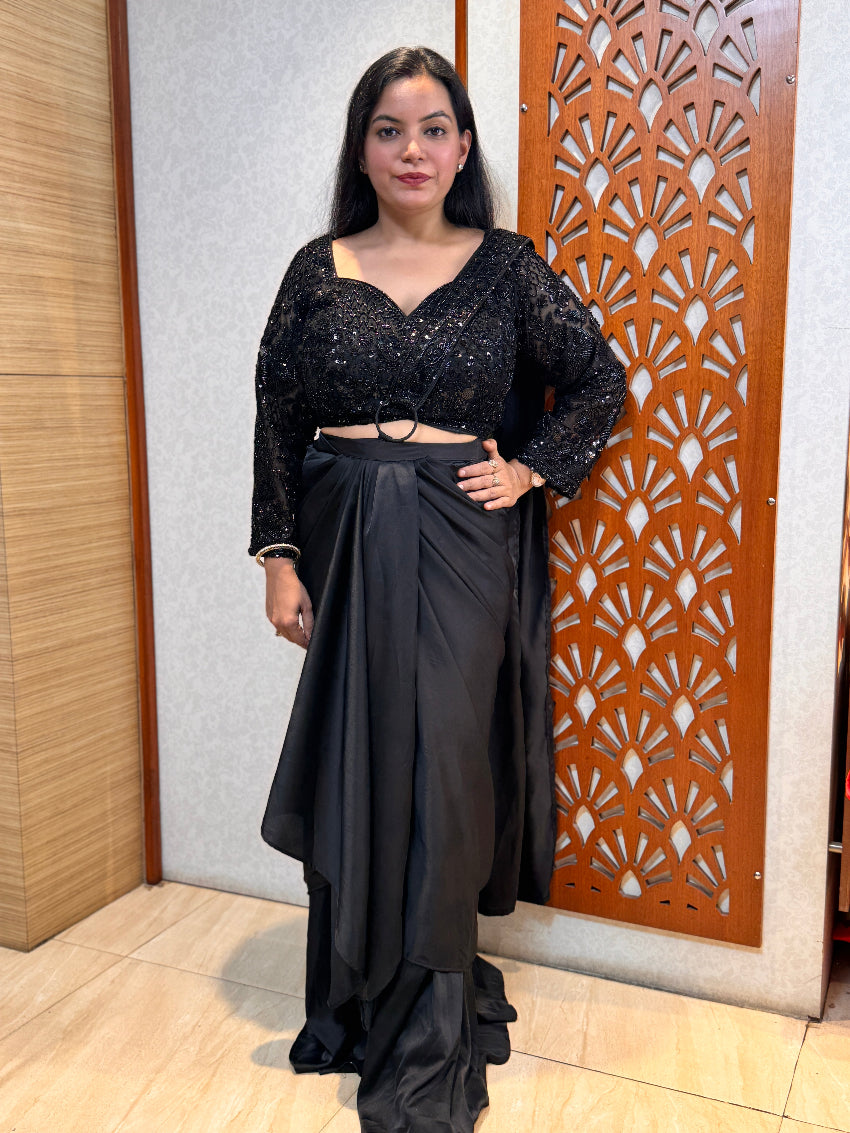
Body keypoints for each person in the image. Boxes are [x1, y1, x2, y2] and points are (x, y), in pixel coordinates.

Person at [250, 45, 627, 1133]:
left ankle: (425, 1028)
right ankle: (355, 1004)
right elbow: (275, 415)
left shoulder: (508, 265)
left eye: (432, 128)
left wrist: (530, 465)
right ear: (360, 148)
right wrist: (279, 557)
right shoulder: (316, 267)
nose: (411, 149)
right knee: (356, 760)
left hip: (464, 538)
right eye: (387, 128)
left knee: (447, 766)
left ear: (462, 147)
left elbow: (599, 378)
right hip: (341, 531)